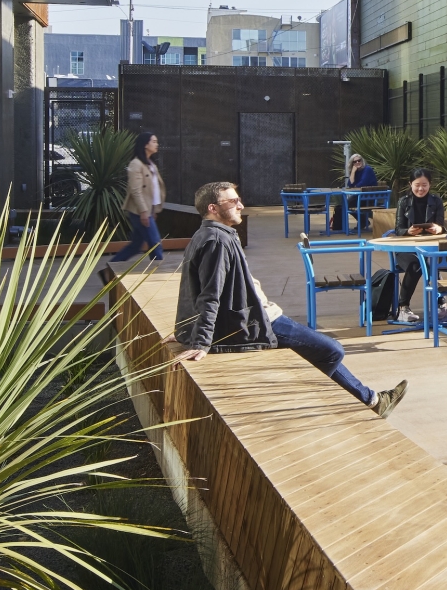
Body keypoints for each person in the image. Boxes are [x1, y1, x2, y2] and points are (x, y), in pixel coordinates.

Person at [174, 180, 406, 418]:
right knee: (332, 351)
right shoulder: (218, 241)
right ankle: (315, 395)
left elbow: (192, 286)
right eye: (233, 201)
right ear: (213, 208)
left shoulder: (208, 234)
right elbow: (209, 294)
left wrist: (187, 327)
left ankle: (373, 401)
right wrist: (200, 341)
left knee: (322, 351)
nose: (241, 205)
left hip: (255, 314)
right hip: (257, 320)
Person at [372, 167, 447, 323]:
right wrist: (408, 231)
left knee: (430, 261)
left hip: (429, 248)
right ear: (410, 184)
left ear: (430, 185)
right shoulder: (403, 202)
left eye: (424, 185)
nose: (421, 189)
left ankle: (440, 304)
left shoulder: (436, 201)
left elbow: (442, 226)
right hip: (406, 250)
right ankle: (403, 308)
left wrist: (439, 228)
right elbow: (398, 229)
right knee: (417, 264)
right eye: (417, 185)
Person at [123, 132, 165, 264]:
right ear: (145, 145)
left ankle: (108, 272)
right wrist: (144, 212)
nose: (156, 144)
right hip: (140, 211)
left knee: (135, 246)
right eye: (154, 141)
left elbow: (155, 190)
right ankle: (160, 275)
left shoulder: (150, 164)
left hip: (149, 210)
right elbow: (136, 190)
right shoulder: (136, 164)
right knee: (155, 244)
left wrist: (154, 209)